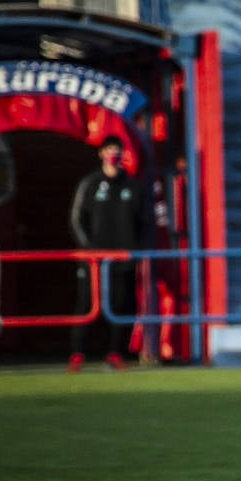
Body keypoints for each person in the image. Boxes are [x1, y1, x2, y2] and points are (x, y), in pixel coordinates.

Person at [68, 136, 148, 373]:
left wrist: (136, 251)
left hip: (122, 259)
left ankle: (114, 354)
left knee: (120, 306)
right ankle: (77, 354)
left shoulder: (133, 187)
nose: (114, 154)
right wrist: (88, 249)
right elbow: (76, 219)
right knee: (85, 305)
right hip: (93, 260)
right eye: (110, 149)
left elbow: (143, 222)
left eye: (118, 150)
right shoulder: (90, 184)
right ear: (101, 153)